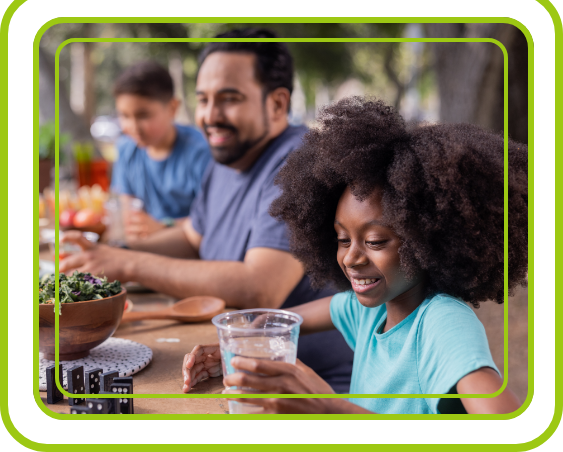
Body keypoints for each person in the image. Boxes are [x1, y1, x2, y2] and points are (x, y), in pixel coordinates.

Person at [182, 96, 528, 414]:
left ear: (431, 238)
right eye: (342, 239)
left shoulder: (442, 323)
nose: (351, 258)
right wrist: (236, 345)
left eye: (376, 241)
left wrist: (329, 409)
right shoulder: (371, 309)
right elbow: (280, 322)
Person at [61, 28, 354, 393]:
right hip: (233, 367)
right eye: (203, 99)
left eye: (229, 99)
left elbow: (260, 287)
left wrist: (127, 265)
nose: (210, 116)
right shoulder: (228, 158)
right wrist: (114, 252)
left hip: (312, 387)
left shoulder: (299, 163)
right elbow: (191, 235)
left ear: (278, 104)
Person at [111, 61, 211, 239]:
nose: (133, 127)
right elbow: (127, 209)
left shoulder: (201, 154)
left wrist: (164, 226)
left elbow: (213, 220)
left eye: (143, 115)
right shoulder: (126, 149)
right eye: (124, 116)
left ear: (172, 108)